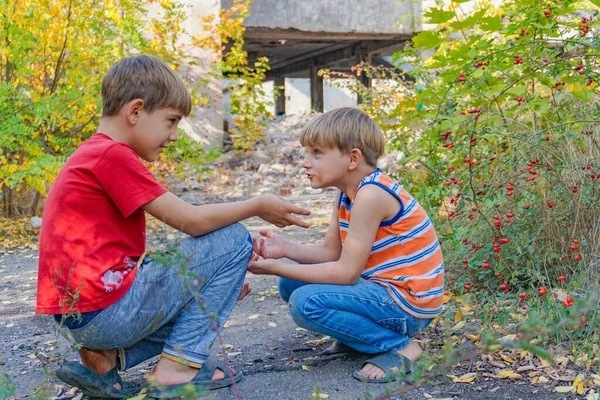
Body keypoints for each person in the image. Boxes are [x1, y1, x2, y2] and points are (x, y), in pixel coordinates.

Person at [35, 54, 310, 399]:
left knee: (213, 283)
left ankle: (107, 360)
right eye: (171, 121)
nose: (175, 135)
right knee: (234, 240)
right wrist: (256, 205)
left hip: (83, 316)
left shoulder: (93, 154)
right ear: (135, 112)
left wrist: (212, 284)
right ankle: (175, 371)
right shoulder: (112, 156)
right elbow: (191, 221)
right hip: (105, 313)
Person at [249, 107, 444, 383]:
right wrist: (286, 249)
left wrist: (276, 266)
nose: (306, 162)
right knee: (290, 284)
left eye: (316, 153)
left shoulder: (371, 195)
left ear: (353, 158)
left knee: (305, 302)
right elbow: (332, 253)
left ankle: (399, 346)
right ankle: (357, 338)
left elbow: (345, 273)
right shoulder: (347, 193)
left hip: (406, 305)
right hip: (384, 293)